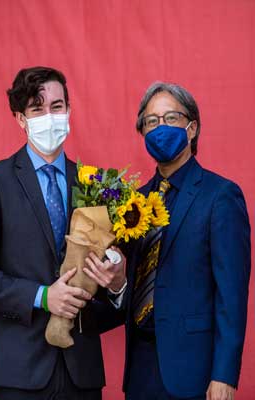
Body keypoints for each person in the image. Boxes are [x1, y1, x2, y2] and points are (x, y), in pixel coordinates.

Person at [0, 66, 125, 400]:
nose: (49, 116)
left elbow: (111, 280)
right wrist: (43, 296)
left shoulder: (98, 185)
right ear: (21, 118)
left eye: (57, 106)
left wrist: (118, 283)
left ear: (69, 111)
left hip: (83, 373)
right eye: (37, 108)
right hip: (19, 373)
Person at [122, 82, 251, 400]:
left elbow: (231, 295)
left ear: (191, 129)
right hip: (140, 368)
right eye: (151, 121)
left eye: (170, 118)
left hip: (195, 373)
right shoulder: (133, 204)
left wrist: (224, 374)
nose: (160, 128)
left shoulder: (220, 196)